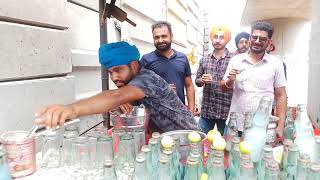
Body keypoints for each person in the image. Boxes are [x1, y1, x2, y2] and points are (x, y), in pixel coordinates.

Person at [34, 41, 199, 133]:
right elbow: (118, 98)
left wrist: (71, 109)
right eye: (110, 72)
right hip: (168, 141)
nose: (114, 77)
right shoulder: (130, 87)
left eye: (118, 70)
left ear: (134, 66)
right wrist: (120, 100)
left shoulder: (147, 78)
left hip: (191, 140)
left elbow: (115, 96)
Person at [220, 21, 287, 138]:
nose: (257, 41)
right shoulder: (236, 60)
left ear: (269, 42)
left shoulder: (276, 63)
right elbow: (223, 87)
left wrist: (280, 126)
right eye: (254, 37)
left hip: (261, 128)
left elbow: (281, 95)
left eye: (262, 39)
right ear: (250, 37)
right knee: (230, 155)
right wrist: (230, 81)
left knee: (258, 156)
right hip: (235, 126)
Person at [140, 21, 195, 113]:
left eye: (164, 36)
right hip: (156, 114)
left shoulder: (182, 58)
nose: (160, 40)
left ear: (171, 36)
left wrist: (191, 110)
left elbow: (189, 85)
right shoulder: (146, 60)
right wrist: (162, 90)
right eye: (156, 37)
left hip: (179, 112)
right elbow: (139, 88)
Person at [195, 25, 233, 134]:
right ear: (211, 38)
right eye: (215, 37)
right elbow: (197, 82)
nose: (218, 40)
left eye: (222, 37)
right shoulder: (204, 60)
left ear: (227, 40)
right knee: (200, 140)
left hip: (226, 111)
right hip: (207, 111)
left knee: (225, 144)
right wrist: (202, 80)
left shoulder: (233, 59)